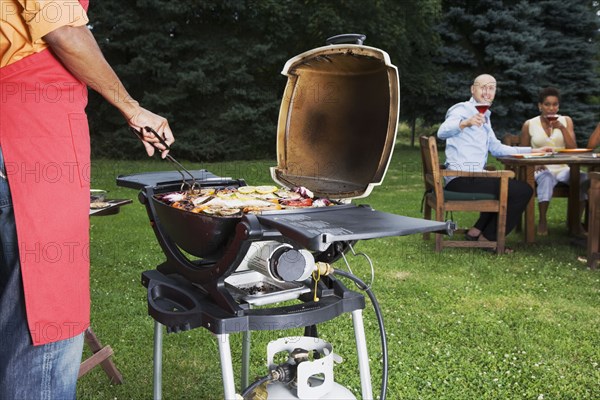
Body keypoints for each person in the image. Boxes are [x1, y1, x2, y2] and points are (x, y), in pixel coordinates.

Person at [0, 1, 174, 399]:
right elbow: (61, 29)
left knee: (11, 308)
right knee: (46, 317)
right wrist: (132, 108)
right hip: (29, 135)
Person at [437, 74, 551, 253]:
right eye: (483, 87)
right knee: (522, 190)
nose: (487, 92)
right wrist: (465, 123)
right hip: (461, 179)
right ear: (472, 89)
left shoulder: (485, 115)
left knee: (506, 187)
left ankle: (476, 232)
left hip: (473, 176)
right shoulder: (462, 109)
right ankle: (489, 238)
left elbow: (497, 148)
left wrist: (532, 151)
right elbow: (442, 132)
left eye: (491, 88)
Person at [520, 87, 587, 235]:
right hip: (538, 168)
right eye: (547, 104)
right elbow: (523, 152)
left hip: (562, 168)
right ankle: (542, 220)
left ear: (558, 106)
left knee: (583, 178)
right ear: (540, 106)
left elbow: (573, 148)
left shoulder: (566, 121)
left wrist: (562, 129)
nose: (551, 108)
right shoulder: (529, 124)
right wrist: (535, 161)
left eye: (555, 104)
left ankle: (576, 223)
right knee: (546, 177)